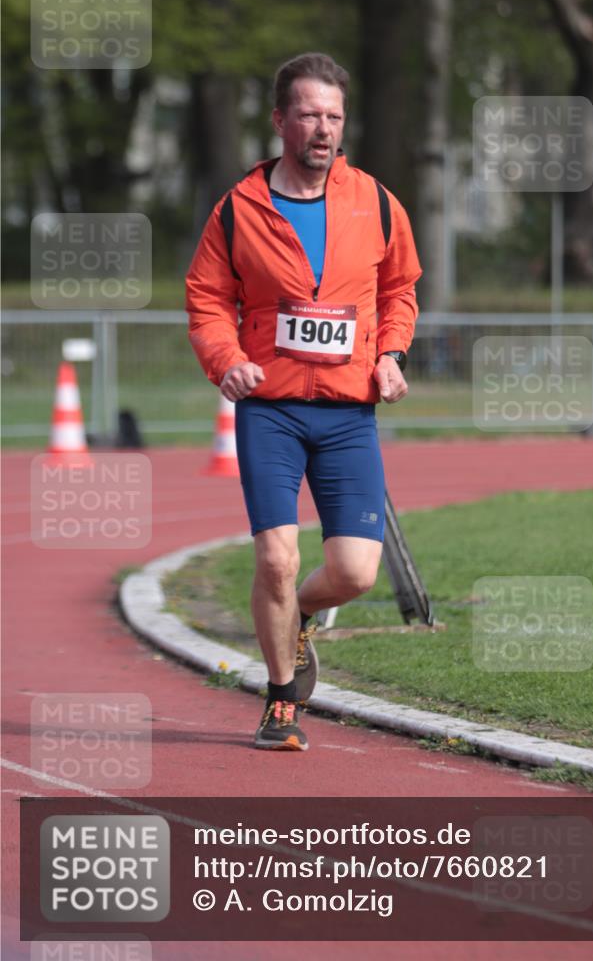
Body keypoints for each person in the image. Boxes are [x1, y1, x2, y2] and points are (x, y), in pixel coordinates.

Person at [186, 53, 421, 751]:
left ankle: (298, 618)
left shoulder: (376, 203)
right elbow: (206, 299)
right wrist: (226, 360)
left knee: (354, 572)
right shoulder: (239, 209)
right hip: (272, 410)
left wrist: (391, 354)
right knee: (277, 561)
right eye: (310, 115)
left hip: (348, 414)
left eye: (334, 117)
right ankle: (281, 700)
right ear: (280, 120)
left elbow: (399, 289)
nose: (323, 129)